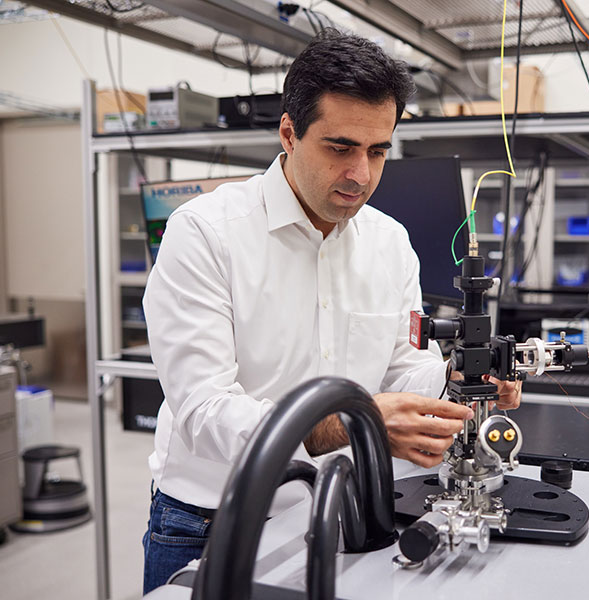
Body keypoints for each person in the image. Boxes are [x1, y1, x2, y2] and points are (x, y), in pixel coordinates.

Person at [141, 28, 521, 593]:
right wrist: (356, 422)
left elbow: (400, 364)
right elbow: (203, 410)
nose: (361, 174)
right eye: (340, 147)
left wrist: (457, 381)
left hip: (341, 507)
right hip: (210, 522)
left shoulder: (390, 242)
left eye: (378, 151)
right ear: (289, 134)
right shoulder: (204, 233)